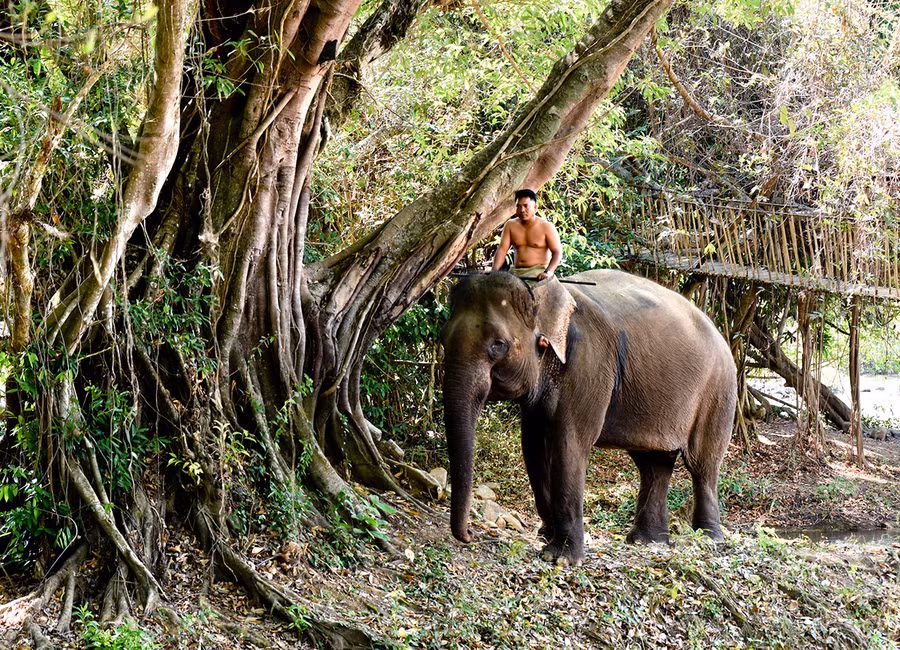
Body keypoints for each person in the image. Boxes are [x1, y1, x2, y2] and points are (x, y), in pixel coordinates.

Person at [491, 189, 562, 280]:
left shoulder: (546, 226)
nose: (522, 210)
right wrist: (494, 271)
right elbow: (502, 249)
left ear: (535, 208)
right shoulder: (510, 225)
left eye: (526, 206)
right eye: (518, 206)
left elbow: (557, 252)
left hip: (537, 271)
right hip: (515, 271)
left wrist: (548, 272)